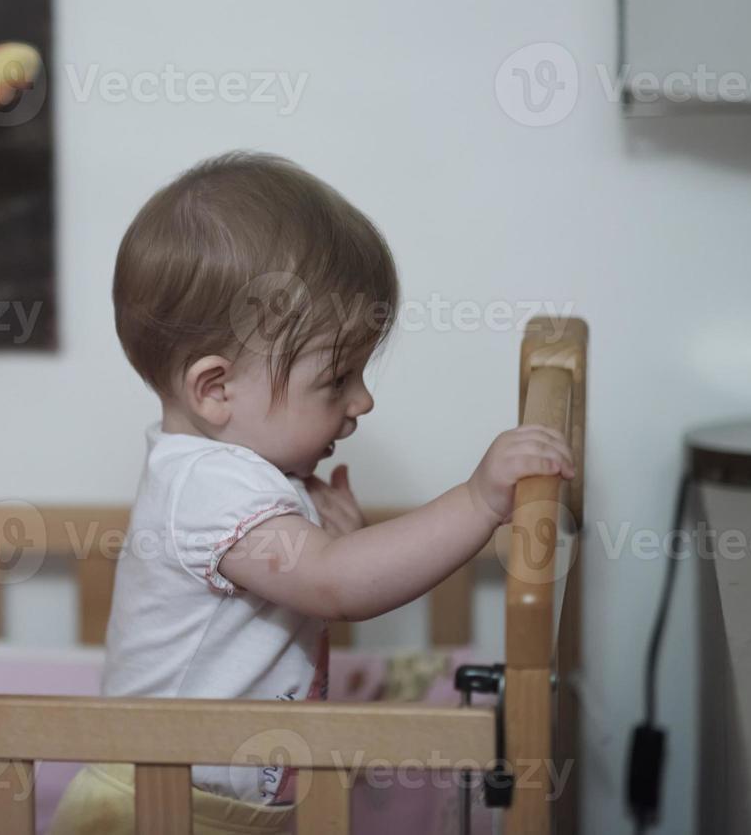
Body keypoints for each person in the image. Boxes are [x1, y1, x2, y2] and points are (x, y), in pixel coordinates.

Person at [47, 152, 575, 835]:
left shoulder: (236, 474)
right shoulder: (208, 486)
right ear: (216, 389)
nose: (363, 401)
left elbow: (316, 578)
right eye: (337, 381)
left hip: (219, 802)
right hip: (160, 808)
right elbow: (335, 587)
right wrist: (477, 500)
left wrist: (335, 542)